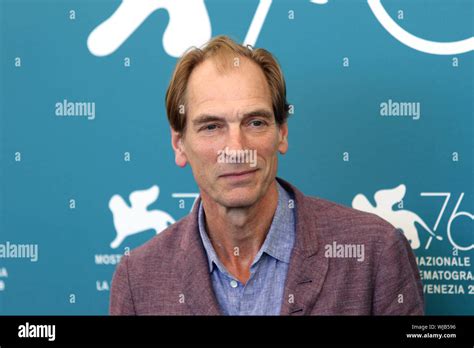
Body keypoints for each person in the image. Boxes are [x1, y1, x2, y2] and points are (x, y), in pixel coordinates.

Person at [109, 35, 424, 315]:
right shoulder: (139, 280)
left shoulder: (375, 252)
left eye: (255, 122)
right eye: (211, 127)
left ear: (281, 134)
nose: (236, 148)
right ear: (180, 145)